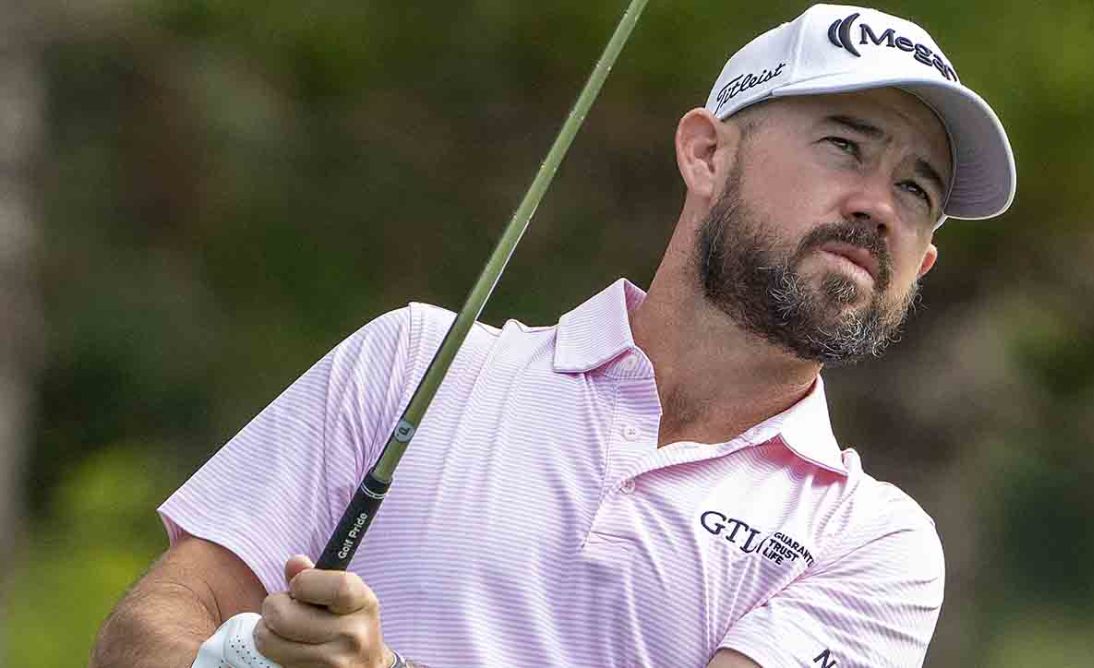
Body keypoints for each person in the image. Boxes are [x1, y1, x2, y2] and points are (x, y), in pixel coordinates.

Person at [90, 4, 1015, 667]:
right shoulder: (416, 360)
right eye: (845, 147)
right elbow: (148, 628)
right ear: (707, 154)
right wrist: (237, 662)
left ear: (922, 264)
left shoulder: (874, 544)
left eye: (918, 192)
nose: (877, 207)